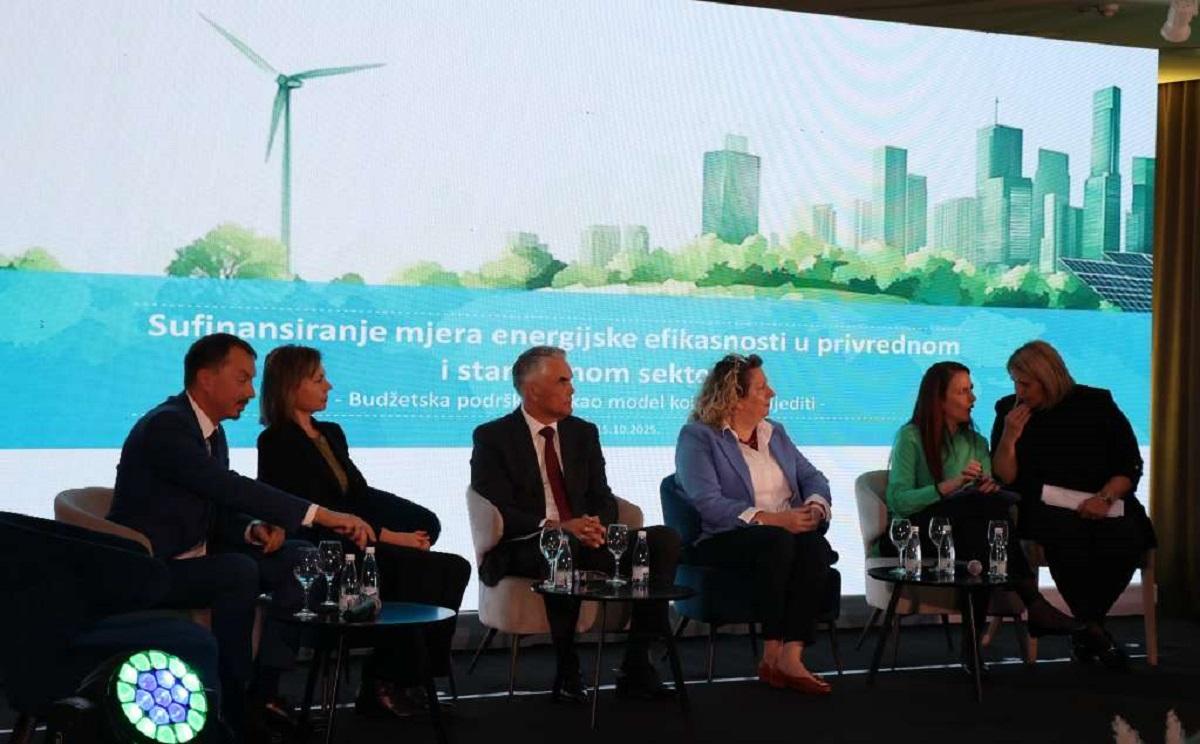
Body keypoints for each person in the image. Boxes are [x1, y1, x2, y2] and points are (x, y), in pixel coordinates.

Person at [108, 333, 375, 735]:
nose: (251, 392)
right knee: (237, 571)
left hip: (196, 557)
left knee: (301, 557)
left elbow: (215, 505)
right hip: (153, 566)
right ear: (206, 378)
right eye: (243, 379)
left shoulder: (212, 432)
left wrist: (252, 529)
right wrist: (320, 514)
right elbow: (225, 486)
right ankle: (232, 704)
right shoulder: (168, 425)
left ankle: (264, 691)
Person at [256, 345, 471, 718]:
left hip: (360, 539)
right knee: (416, 569)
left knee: (453, 567)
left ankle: (410, 678)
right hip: (326, 547)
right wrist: (393, 537)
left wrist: (415, 524)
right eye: (319, 379)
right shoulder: (276, 441)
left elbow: (358, 493)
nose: (329, 386)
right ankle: (383, 683)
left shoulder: (330, 432)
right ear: (292, 385)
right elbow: (317, 508)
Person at [470, 346, 681, 703]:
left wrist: (597, 525)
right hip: (527, 544)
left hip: (585, 538)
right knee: (560, 545)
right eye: (563, 381)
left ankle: (636, 665)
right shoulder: (493, 436)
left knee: (662, 540)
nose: (573, 389)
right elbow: (497, 505)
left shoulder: (583, 432)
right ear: (532, 390)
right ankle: (567, 671)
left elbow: (602, 494)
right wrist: (556, 525)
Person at [884, 361, 1078, 666]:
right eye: (963, 391)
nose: (973, 398)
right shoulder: (910, 437)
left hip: (965, 533)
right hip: (917, 535)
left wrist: (987, 485)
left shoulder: (977, 442)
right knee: (980, 519)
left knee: (982, 528)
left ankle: (974, 648)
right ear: (939, 399)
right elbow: (898, 501)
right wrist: (950, 486)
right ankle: (1031, 603)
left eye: (971, 389)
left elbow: (984, 497)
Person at [674, 353, 835, 695]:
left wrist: (814, 506)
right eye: (761, 388)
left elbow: (813, 477)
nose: (771, 393)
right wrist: (773, 520)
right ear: (735, 397)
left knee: (814, 546)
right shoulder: (698, 437)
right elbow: (708, 503)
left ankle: (792, 656)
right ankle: (772, 652)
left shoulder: (774, 433)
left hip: (785, 533)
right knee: (778, 541)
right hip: (725, 536)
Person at [990, 340, 1156, 669]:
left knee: (1127, 536)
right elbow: (1005, 477)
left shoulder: (1096, 403)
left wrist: (1104, 497)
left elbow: (1128, 464)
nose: (1019, 391)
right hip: (1044, 503)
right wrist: (1010, 435)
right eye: (1015, 382)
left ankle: (1086, 627)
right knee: (1067, 537)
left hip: (1103, 499)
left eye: (1026, 384)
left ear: (1048, 378)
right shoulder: (1009, 410)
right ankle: (1092, 631)